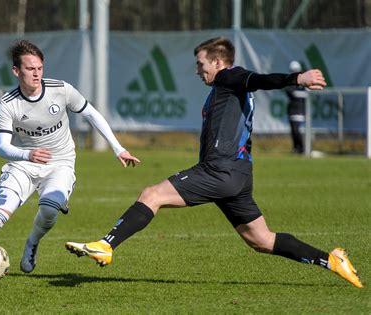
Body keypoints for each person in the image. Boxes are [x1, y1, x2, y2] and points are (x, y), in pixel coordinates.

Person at [65, 37, 363, 288]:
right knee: (261, 240)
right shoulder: (226, 88)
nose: (198, 70)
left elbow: (258, 80)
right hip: (238, 174)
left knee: (151, 194)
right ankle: (330, 259)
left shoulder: (228, 77)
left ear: (218, 63)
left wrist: (295, 79)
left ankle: (107, 245)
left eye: (201, 64)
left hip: (219, 170)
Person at [0, 40, 140, 276]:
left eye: (39, 67)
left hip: (60, 163)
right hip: (23, 165)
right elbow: (1, 147)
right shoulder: (8, 103)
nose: (36, 73)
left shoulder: (61, 90)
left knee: (49, 210)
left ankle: (32, 243)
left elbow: (91, 114)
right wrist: (27, 154)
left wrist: (118, 148)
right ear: (16, 71)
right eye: (30, 68)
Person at [285, 61, 307, 154]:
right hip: (293, 110)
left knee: (297, 130)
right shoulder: (289, 83)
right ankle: (296, 148)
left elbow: (308, 94)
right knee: (294, 130)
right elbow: (291, 93)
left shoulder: (304, 83)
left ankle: (302, 148)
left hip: (301, 110)